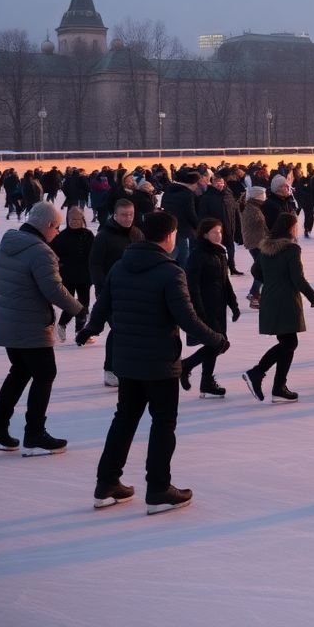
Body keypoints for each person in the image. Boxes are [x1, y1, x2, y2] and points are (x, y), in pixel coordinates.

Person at [78, 210, 229, 513]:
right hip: (159, 363)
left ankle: (107, 483)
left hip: (128, 360)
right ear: (170, 236)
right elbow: (186, 317)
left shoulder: (121, 266)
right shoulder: (170, 272)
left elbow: (103, 305)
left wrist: (90, 329)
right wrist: (216, 339)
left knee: (124, 420)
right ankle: (158, 488)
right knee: (163, 424)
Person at [0, 201, 83, 454]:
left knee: (19, 373)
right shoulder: (40, 251)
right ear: (48, 225)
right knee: (44, 374)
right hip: (29, 326)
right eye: (56, 227)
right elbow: (54, 290)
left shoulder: (10, 244)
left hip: (8, 323)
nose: (57, 233)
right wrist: (80, 310)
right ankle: (35, 434)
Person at [242, 213, 314, 403]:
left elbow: (255, 270)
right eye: (296, 225)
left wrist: (271, 280)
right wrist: (312, 295)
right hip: (286, 300)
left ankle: (279, 387)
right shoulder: (291, 249)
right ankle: (257, 372)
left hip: (270, 297)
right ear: (290, 228)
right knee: (289, 343)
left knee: (287, 343)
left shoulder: (265, 247)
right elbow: (297, 278)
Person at [181, 218, 240, 397]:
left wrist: (233, 304)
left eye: (220, 232)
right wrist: (199, 311)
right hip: (206, 306)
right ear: (205, 234)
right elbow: (193, 285)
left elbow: (225, 281)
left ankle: (206, 381)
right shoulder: (198, 254)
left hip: (219, 305)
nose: (218, 235)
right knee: (218, 343)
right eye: (214, 232)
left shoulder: (220, 253)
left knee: (215, 343)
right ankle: (187, 366)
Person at [89, 198, 144, 388]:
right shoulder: (104, 235)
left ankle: (128, 366)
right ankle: (110, 369)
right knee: (118, 329)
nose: (128, 218)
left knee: (129, 330)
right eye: (124, 215)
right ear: (115, 214)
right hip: (110, 292)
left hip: (133, 291)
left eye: (131, 214)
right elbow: (95, 264)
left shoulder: (137, 233)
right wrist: (102, 288)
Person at [52, 206, 95, 341]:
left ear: (82, 219)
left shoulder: (88, 235)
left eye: (77, 219)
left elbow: (94, 255)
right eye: (71, 219)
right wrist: (59, 265)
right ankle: (62, 324)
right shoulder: (62, 237)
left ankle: (80, 331)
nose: (74, 222)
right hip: (68, 276)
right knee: (70, 304)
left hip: (84, 276)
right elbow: (53, 254)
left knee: (84, 304)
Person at [197, 173, 242, 274]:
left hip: (230, 227)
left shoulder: (229, 195)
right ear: (212, 183)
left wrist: (238, 226)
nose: (219, 184)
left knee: (230, 248)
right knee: (216, 249)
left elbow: (236, 211)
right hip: (215, 229)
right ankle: (219, 268)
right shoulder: (207, 197)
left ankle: (232, 267)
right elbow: (203, 215)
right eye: (216, 182)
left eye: (221, 182)